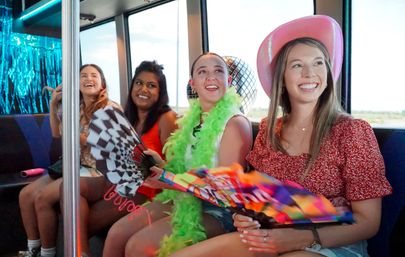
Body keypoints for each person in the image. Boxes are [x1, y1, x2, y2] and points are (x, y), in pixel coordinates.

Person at [168, 15, 392, 257]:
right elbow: (256, 198)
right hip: (271, 234)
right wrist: (246, 217)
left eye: (318, 63)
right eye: (297, 65)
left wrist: (302, 238)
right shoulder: (269, 130)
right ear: (282, 79)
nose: (309, 73)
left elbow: (368, 223)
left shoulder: (353, 132)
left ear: (327, 73)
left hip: (331, 242)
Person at [102, 52, 253, 257]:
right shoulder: (192, 119)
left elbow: (224, 193)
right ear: (193, 83)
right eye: (202, 72)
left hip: (218, 211)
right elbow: (182, 169)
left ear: (228, 80)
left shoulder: (235, 123)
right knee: (116, 234)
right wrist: (159, 165)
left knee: (137, 247)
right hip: (183, 195)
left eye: (218, 71)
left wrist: (169, 181)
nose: (211, 77)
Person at [18, 64, 122, 257]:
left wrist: (76, 135)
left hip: (98, 170)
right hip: (75, 165)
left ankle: (48, 253)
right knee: (25, 194)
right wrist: (53, 104)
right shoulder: (76, 107)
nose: (88, 79)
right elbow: (56, 133)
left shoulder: (110, 108)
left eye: (94, 75)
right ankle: (34, 249)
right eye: (83, 75)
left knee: (42, 198)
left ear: (102, 83)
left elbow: (110, 146)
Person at [77, 60, 178, 257]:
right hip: (119, 180)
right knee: (69, 191)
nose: (143, 89)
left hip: (147, 190)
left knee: (84, 223)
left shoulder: (167, 118)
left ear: (160, 92)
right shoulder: (126, 116)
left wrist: (157, 165)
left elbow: (176, 169)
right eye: (139, 83)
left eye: (151, 85)